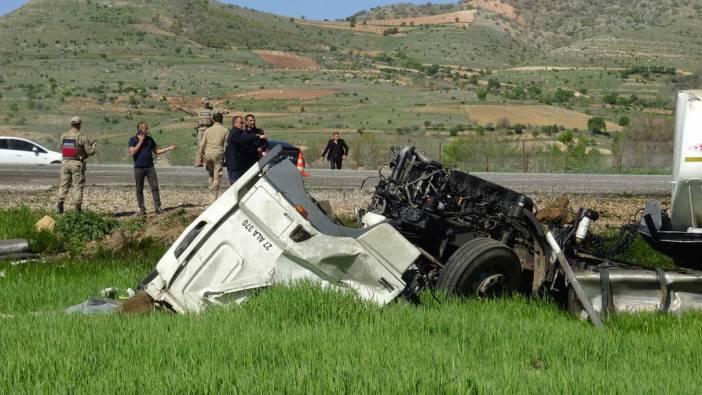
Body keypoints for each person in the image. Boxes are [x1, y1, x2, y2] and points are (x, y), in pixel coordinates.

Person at [128, 121, 177, 215]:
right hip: (138, 168)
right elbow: (132, 152)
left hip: (150, 167)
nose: (148, 130)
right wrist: (141, 141)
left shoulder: (150, 139)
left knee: (154, 187)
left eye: (147, 128)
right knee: (139, 189)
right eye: (146, 128)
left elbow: (156, 151)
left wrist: (169, 148)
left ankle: (158, 207)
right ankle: (142, 210)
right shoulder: (132, 140)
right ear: (140, 129)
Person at [56, 116, 97, 214]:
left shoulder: (64, 136)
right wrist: (93, 147)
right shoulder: (82, 137)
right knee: (77, 186)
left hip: (65, 163)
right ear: (79, 125)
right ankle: (77, 209)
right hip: (77, 164)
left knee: (63, 185)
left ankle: (59, 207)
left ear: (71, 124)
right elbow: (89, 152)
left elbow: (61, 149)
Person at [224, 115, 266, 184]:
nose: (243, 125)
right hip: (235, 165)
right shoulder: (235, 133)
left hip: (240, 165)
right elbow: (241, 139)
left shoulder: (239, 133)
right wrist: (256, 136)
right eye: (241, 123)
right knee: (236, 186)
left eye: (243, 123)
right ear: (235, 123)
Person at [198, 112, 228, 200]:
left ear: (213, 120)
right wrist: (225, 156)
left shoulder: (208, 130)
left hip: (208, 154)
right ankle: (213, 198)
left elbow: (202, 144)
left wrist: (200, 157)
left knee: (211, 174)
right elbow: (226, 145)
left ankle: (210, 191)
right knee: (217, 176)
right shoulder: (225, 130)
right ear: (222, 119)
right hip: (218, 154)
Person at [194, 98, 214, 165]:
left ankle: (207, 161)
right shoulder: (198, 111)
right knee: (200, 145)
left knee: (208, 145)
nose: (206, 104)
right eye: (205, 103)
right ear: (202, 103)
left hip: (208, 129)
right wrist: (180, 108)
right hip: (201, 129)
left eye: (207, 103)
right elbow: (190, 112)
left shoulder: (211, 111)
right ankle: (199, 161)